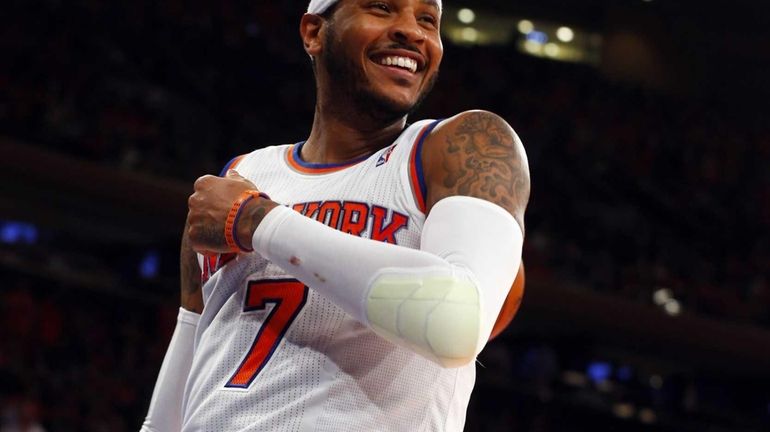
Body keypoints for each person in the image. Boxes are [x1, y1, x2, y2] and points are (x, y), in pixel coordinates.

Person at [141, 0, 530, 430]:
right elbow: (178, 390)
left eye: (427, 20)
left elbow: (457, 322)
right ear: (313, 32)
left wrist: (258, 221)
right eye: (382, 8)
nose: (413, 32)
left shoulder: (463, 146)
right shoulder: (238, 178)